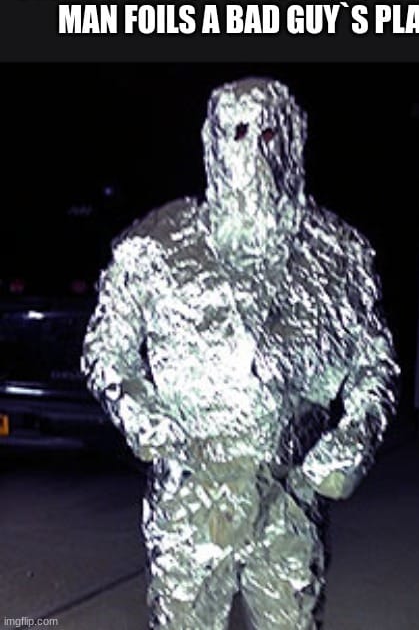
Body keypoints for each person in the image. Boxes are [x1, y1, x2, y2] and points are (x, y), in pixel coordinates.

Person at [81, 77, 399, 629]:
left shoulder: (335, 253)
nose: (253, 152)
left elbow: (374, 364)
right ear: (213, 142)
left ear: (294, 140)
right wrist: (146, 420)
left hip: (290, 499)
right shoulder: (157, 247)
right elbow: (106, 350)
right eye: (238, 132)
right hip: (190, 498)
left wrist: (355, 436)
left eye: (269, 134)